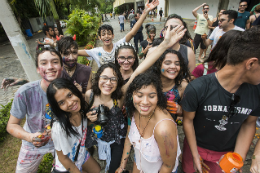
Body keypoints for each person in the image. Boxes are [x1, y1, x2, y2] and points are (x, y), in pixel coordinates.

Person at [181, 26, 260, 173]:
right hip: (196, 148)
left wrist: (237, 159)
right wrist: (194, 153)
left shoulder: (256, 91)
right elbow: (188, 120)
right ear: (251, 63)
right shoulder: (198, 88)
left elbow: (249, 123)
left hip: (227, 152)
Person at [115, 25, 186, 173]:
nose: (145, 102)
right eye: (139, 95)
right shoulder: (133, 111)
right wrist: (122, 167)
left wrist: (165, 44)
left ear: (159, 96)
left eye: (152, 96)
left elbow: (167, 166)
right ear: (131, 95)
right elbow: (130, 139)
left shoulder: (164, 129)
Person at [6, 47, 62, 172]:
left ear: (61, 67)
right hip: (31, 142)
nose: (50, 67)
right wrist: (30, 137)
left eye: (55, 62)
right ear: (37, 68)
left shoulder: (68, 91)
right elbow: (12, 125)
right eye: (44, 63)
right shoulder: (25, 92)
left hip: (60, 142)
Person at [78, 0, 159, 68]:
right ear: (100, 37)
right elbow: (76, 52)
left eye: (109, 33)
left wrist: (145, 12)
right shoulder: (95, 52)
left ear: (113, 36)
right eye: (103, 34)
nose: (106, 36)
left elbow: (132, 32)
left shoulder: (118, 45)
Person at [2, 36, 93, 96]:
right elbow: (42, 87)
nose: (71, 57)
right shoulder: (55, 72)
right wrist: (22, 81)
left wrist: (80, 93)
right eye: (66, 53)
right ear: (60, 54)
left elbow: (89, 98)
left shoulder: (86, 71)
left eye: (74, 53)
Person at [47, 78, 100, 173]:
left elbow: (84, 125)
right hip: (66, 166)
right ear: (57, 106)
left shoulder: (81, 108)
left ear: (74, 91)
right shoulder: (59, 128)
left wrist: (92, 121)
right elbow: (63, 158)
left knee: (97, 169)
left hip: (81, 154)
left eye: (70, 95)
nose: (70, 103)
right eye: (62, 102)